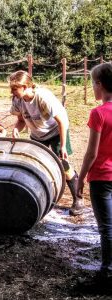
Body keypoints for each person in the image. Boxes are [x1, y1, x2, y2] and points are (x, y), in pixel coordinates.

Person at [9, 70, 84, 216]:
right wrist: (16, 129)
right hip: (38, 134)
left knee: (64, 164)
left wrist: (62, 146)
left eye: (14, 89)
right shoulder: (17, 100)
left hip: (56, 131)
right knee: (37, 164)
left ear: (25, 86)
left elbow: (62, 121)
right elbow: (20, 120)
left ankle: (78, 199)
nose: (12, 92)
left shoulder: (42, 97)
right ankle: (41, 197)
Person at [76, 63, 112, 291]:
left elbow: (92, 153)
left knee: (107, 228)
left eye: (92, 83)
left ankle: (106, 275)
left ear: (99, 85)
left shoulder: (98, 113)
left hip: (102, 177)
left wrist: (80, 178)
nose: (92, 88)